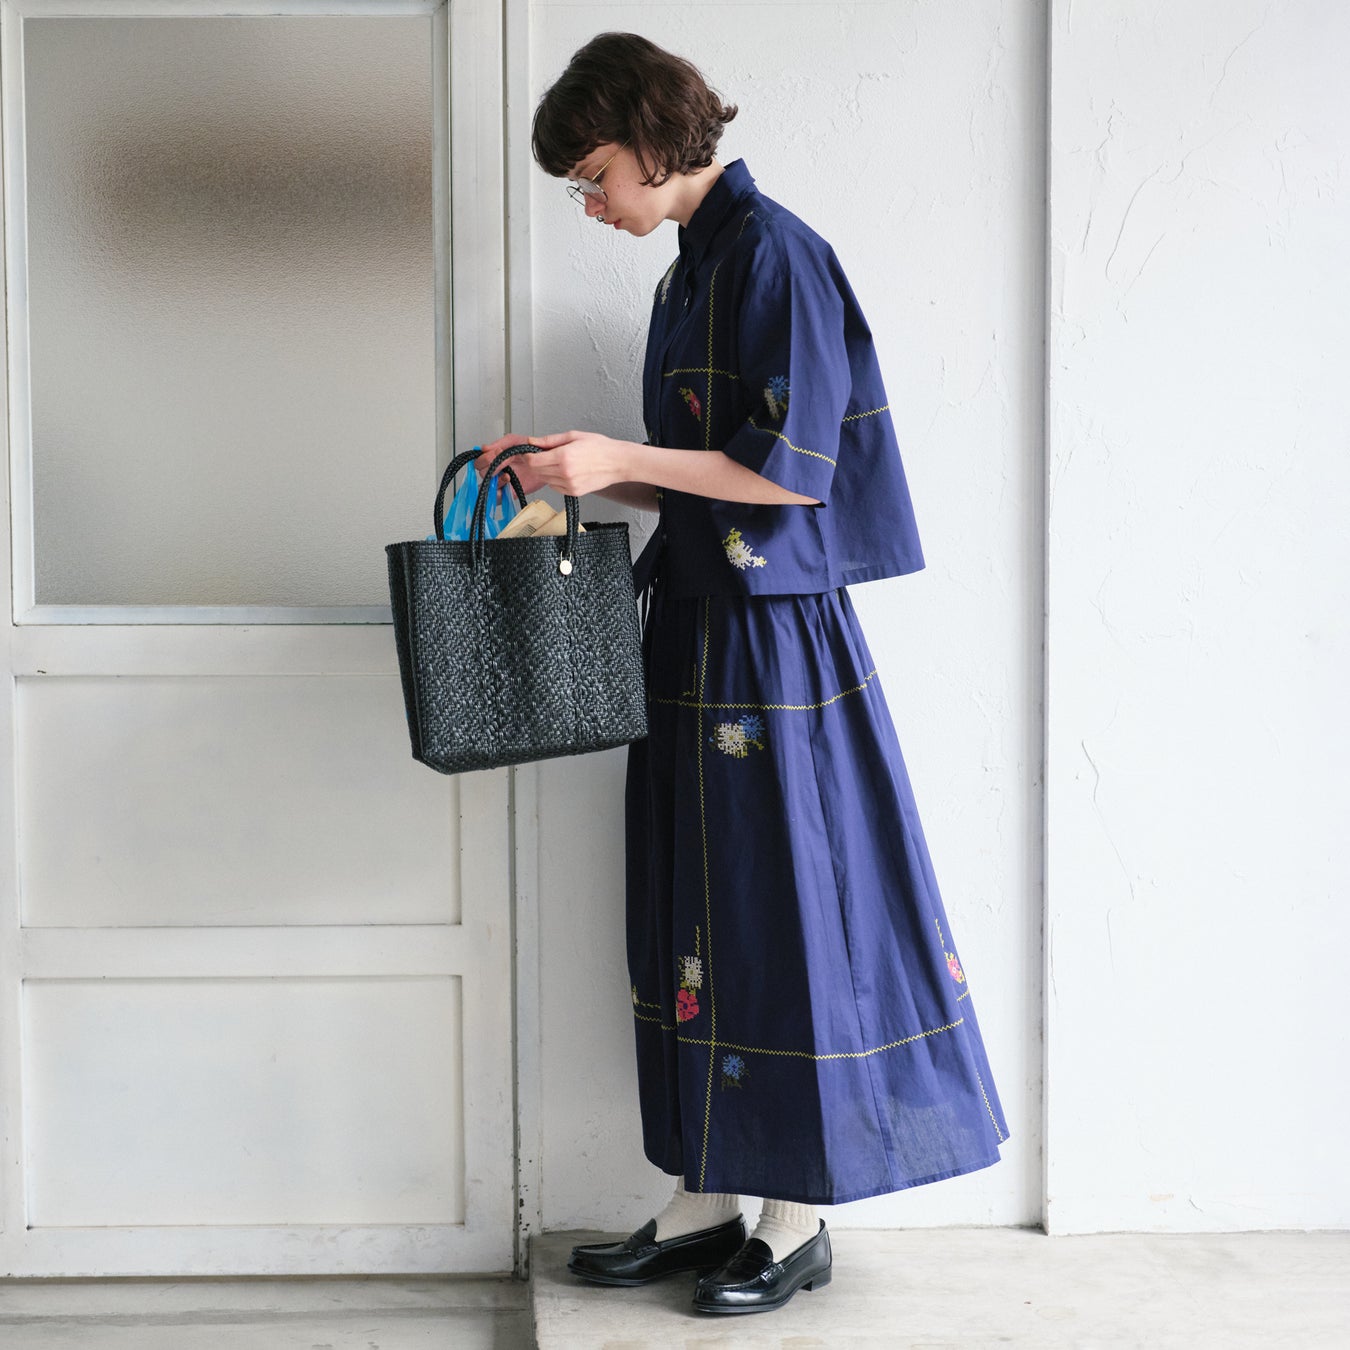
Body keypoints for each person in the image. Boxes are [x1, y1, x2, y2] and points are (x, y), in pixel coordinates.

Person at [478, 32, 1009, 1317]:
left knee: (783, 910)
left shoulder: (776, 255)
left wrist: (616, 461)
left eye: (592, 175)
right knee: (691, 907)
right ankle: (708, 1196)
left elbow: (788, 473)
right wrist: (578, 463)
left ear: (649, 141)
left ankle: (796, 1217)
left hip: (772, 642)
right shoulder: (693, 269)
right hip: (699, 623)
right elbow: (708, 472)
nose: (589, 203)